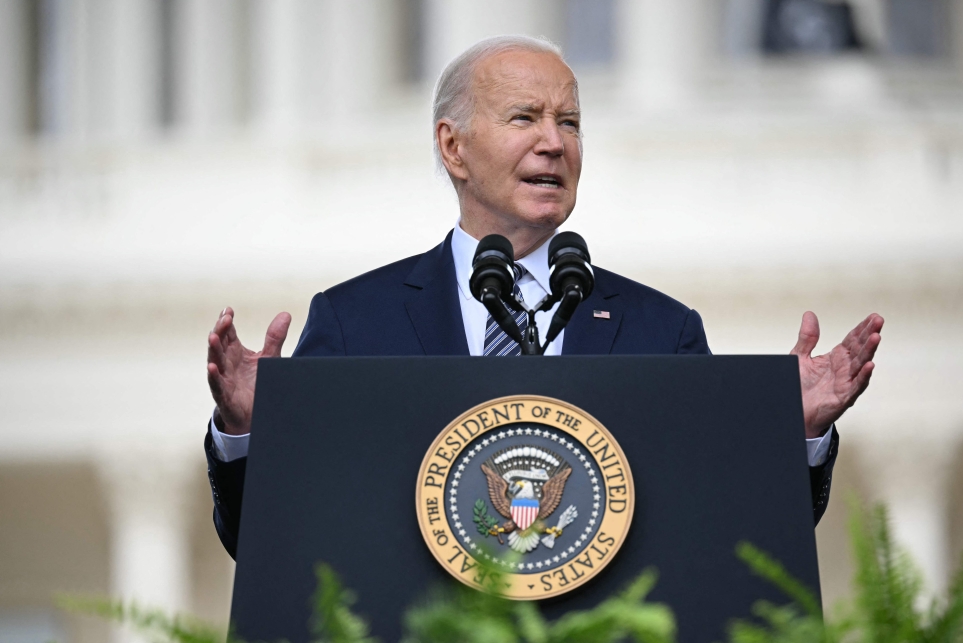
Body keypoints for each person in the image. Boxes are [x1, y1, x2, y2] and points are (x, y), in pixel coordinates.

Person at [204, 36, 883, 560]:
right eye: (525, 116)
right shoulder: (355, 322)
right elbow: (270, 539)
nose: (555, 142)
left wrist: (792, 435)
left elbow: (732, 530)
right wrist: (251, 433)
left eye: (571, 122)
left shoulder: (660, 330)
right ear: (454, 147)